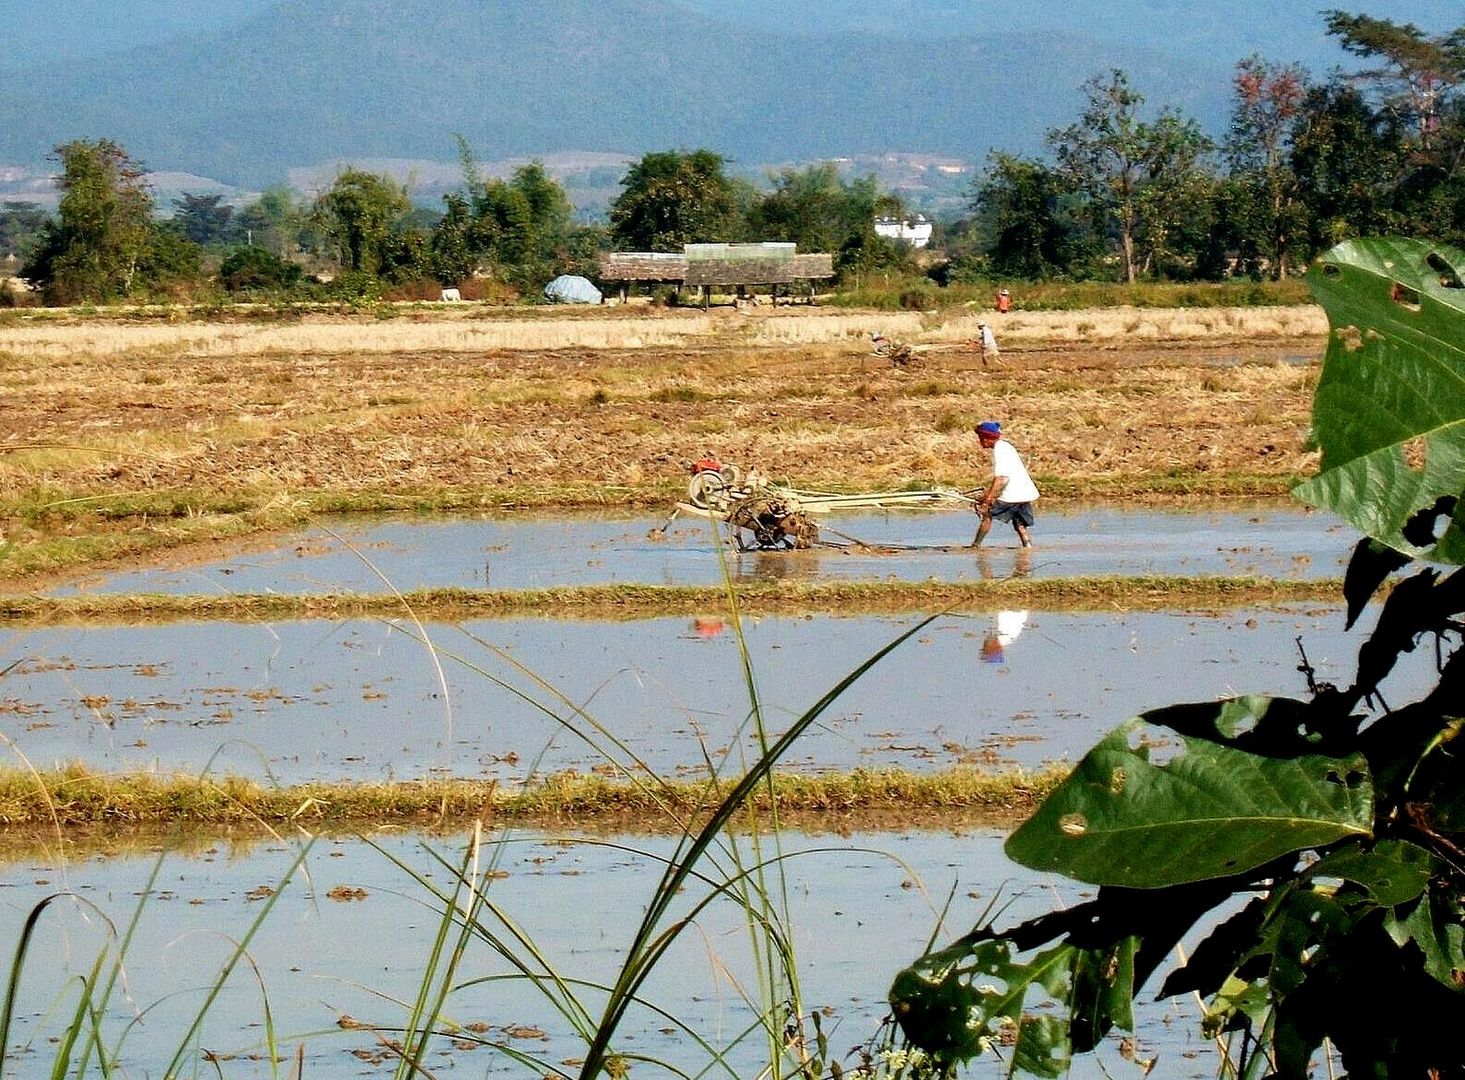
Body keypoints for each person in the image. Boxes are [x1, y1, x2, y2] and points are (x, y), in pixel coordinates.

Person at [970, 420, 1038, 547]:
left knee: (987, 514)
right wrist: (988, 494)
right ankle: (1027, 546)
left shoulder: (999, 449)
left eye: (981, 438)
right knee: (1019, 522)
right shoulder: (1006, 446)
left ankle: (976, 545)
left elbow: (1001, 478)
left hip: (1013, 494)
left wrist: (988, 499)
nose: (980, 441)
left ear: (988, 438)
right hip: (1025, 491)